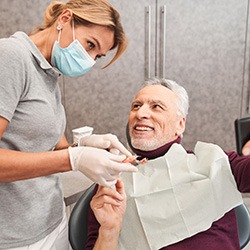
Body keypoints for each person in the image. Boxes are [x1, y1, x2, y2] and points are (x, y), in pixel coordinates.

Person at [0, 0, 138, 249]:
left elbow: (55, 148)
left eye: (97, 56)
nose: (89, 60)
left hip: (52, 220)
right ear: (65, 19)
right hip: (14, 237)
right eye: (90, 45)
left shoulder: (49, 71)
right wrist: (75, 158)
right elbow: (65, 158)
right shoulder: (11, 56)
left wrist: (88, 146)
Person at [86, 78, 250, 250]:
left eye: (156, 106)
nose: (140, 114)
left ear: (180, 124)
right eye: (136, 106)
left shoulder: (212, 161)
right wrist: (109, 231)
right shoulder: (112, 182)